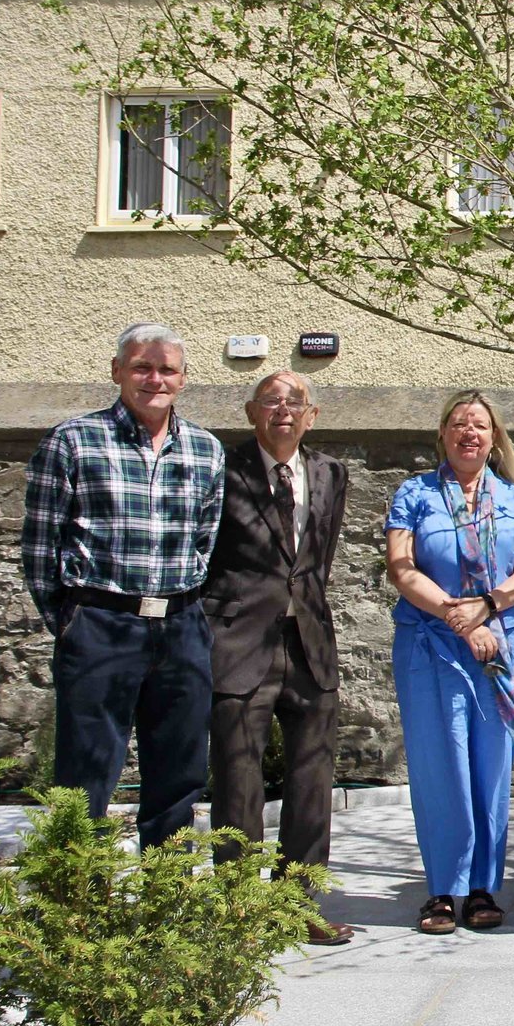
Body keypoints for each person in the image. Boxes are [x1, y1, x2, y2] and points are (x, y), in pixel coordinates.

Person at [22, 323, 225, 851]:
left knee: (180, 773)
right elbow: (40, 547)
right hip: (101, 624)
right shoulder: (73, 440)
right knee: (86, 772)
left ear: (183, 379)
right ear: (118, 372)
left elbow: (205, 540)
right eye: (142, 367)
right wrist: (70, 622)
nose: (154, 379)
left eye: (166, 369)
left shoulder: (206, 450)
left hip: (181, 627)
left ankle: (167, 904)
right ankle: (74, 910)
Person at [201, 370, 352, 945]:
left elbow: (318, 556)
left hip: (309, 643)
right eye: (271, 401)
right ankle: (237, 910)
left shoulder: (330, 474)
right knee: (239, 779)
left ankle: (299, 904)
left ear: (311, 416)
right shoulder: (223, 469)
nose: (283, 410)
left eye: (295, 402)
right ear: (250, 412)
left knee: (313, 776)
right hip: (239, 643)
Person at [385, 391, 514, 935]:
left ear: (494, 437)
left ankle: (482, 888)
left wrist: (488, 611)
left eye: (479, 424)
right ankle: (443, 890)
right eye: (458, 424)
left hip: (499, 646)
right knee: (440, 765)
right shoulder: (414, 494)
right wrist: (461, 619)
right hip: (432, 644)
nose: (469, 433)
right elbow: (402, 570)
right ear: (443, 435)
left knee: (491, 767)